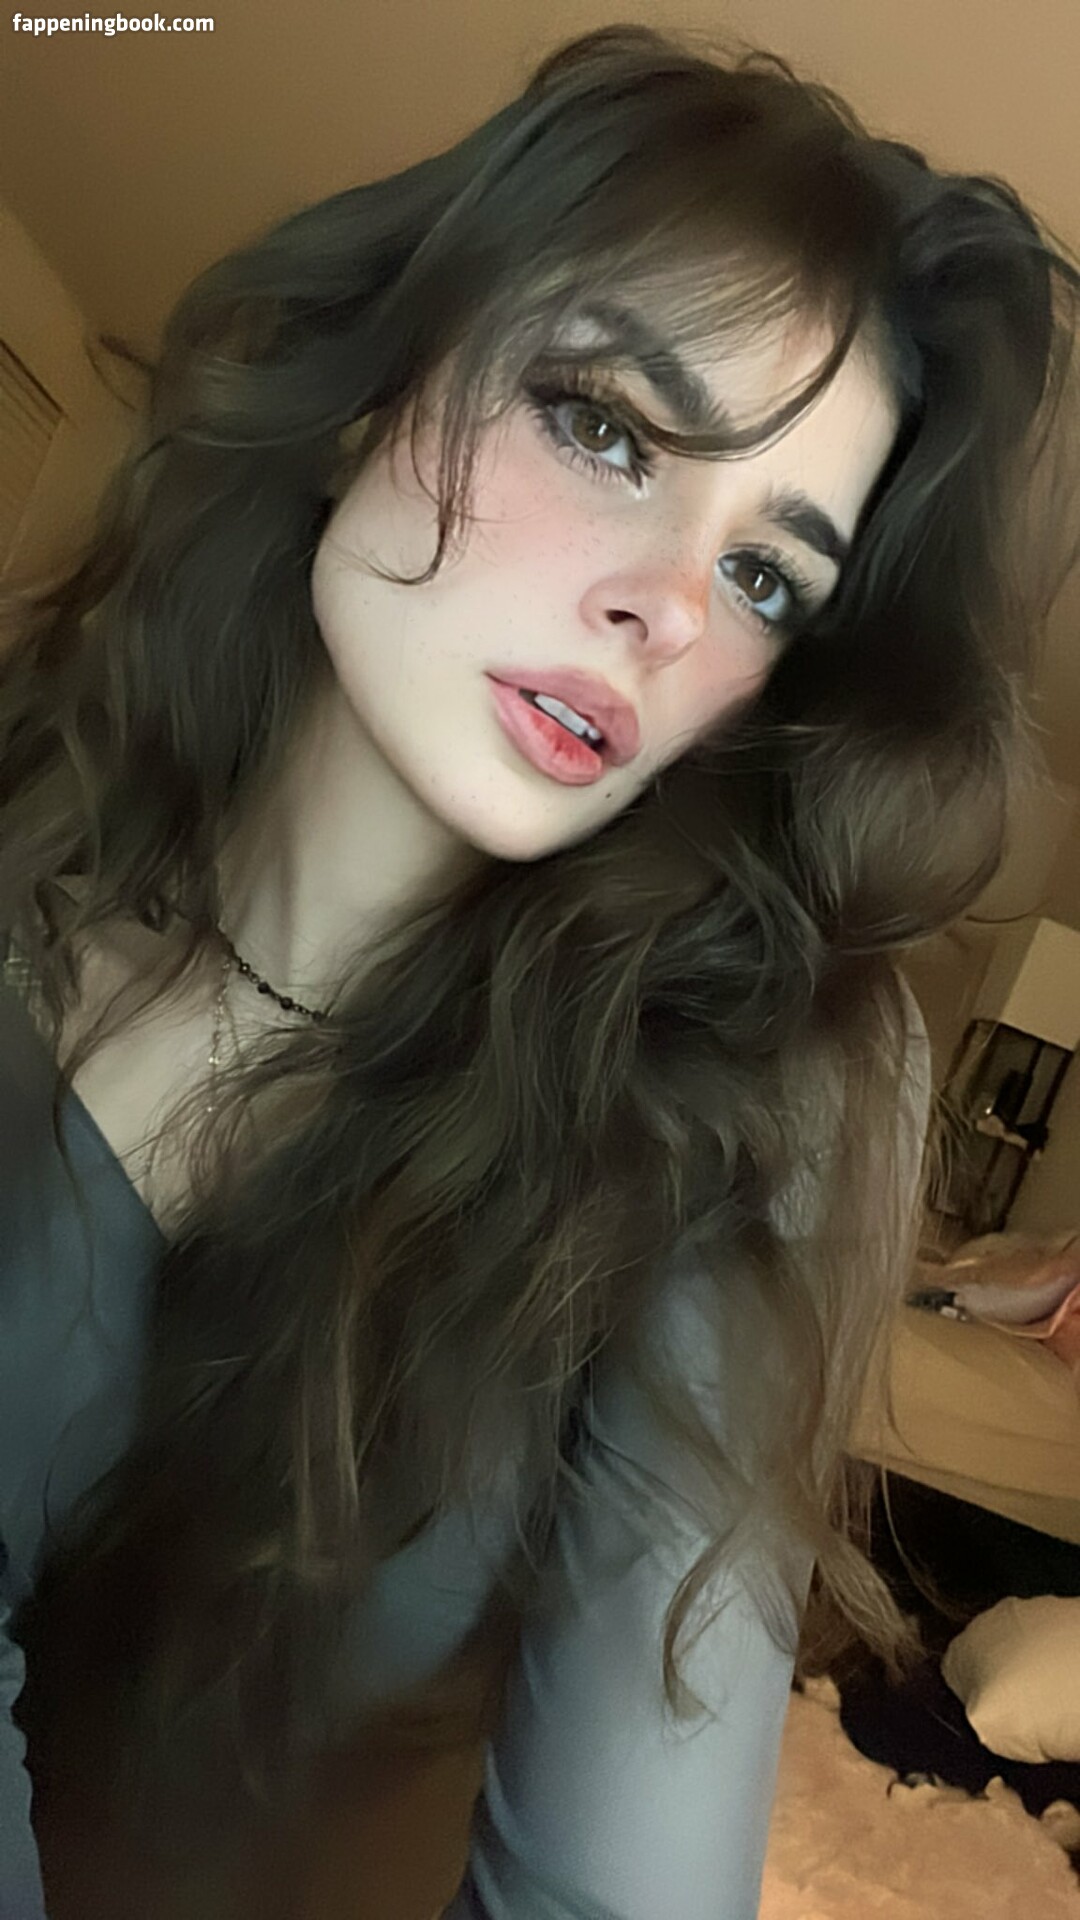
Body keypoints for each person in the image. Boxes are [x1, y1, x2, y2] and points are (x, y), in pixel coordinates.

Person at [1, 21, 1077, 1919]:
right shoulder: (33, 837)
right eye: (609, 428)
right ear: (374, 383)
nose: (666, 604)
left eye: (768, 577)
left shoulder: (748, 1088)